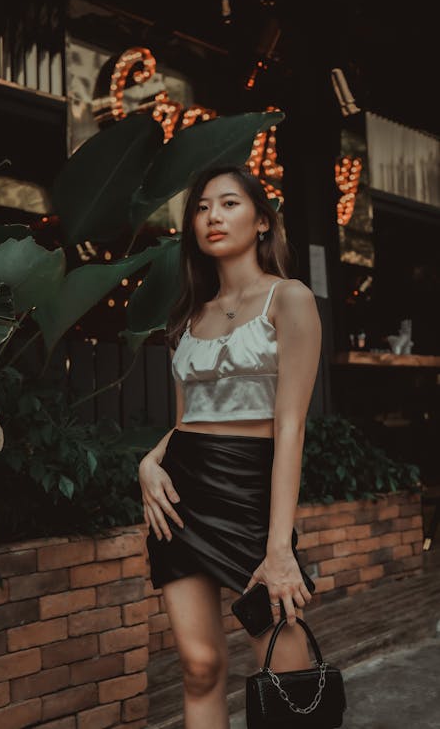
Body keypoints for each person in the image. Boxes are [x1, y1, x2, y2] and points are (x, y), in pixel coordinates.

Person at [138, 164, 322, 728]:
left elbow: (289, 427)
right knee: (198, 666)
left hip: (251, 490)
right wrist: (149, 460)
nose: (212, 216)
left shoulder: (289, 299)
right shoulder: (188, 317)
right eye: (200, 208)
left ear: (262, 221)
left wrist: (279, 548)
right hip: (180, 497)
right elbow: (189, 420)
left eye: (228, 204)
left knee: (287, 672)